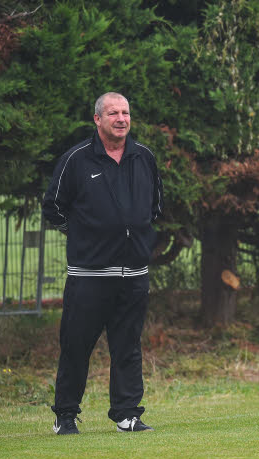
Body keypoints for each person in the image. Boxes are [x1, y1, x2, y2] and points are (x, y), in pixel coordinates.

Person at [42, 92, 163, 434]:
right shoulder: (76, 159)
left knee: (128, 348)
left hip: (134, 275)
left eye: (125, 112)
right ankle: (65, 416)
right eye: (113, 113)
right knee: (76, 347)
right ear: (97, 119)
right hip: (89, 276)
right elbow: (53, 207)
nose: (121, 119)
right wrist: (83, 235)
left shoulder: (144, 157)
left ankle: (127, 414)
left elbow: (155, 206)